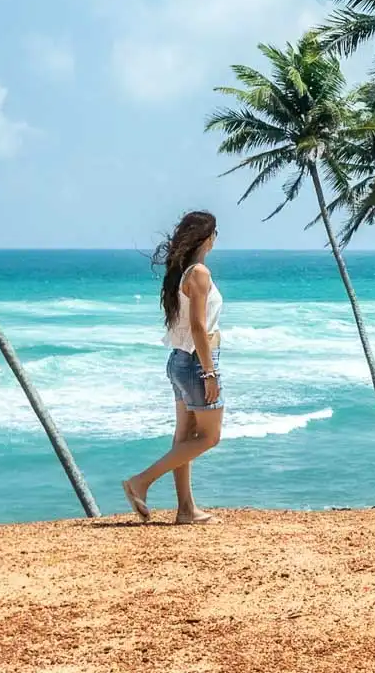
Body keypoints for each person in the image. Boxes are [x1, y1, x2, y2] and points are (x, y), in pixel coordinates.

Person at [124, 210, 223, 524]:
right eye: (215, 233)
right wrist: (210, 373)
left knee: (184, 437)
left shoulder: (183, 273)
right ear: (207, 238)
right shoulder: (199, 273)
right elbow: (198, 327)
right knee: (209, 437)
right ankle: (141, 481)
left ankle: (186, 510)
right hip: (195, 363)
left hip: (179, 361)